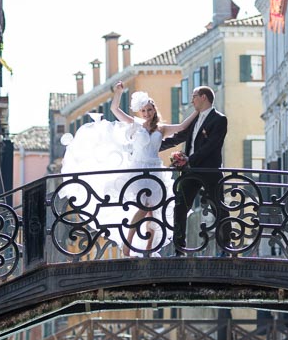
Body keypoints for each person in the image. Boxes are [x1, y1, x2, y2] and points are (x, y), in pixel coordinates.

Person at [60, 81, 197, 253]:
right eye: (144, 110)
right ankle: (128, 243)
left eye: (149, 110)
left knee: (154, 212)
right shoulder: (136, 124)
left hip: (155, 171)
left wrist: (197, 111)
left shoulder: (161, 129)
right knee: (144, 205)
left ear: (154, 110)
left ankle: (149, 248)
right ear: (141, 112)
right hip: (138, 170)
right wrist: (118, 92)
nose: (147, 113)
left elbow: (182, 127)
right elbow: (115, 110)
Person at [160, 85, 227, 251]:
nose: (192, 100)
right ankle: (179, 247)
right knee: (180, 205)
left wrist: (190, 158)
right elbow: (179, 137)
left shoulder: (219, 119)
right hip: (190, 171)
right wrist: (155, 146)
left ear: (204, 97)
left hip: (209, 170)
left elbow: (212, 145)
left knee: (219, 207)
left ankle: (226, 246)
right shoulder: (194, 120)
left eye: (194, 96)